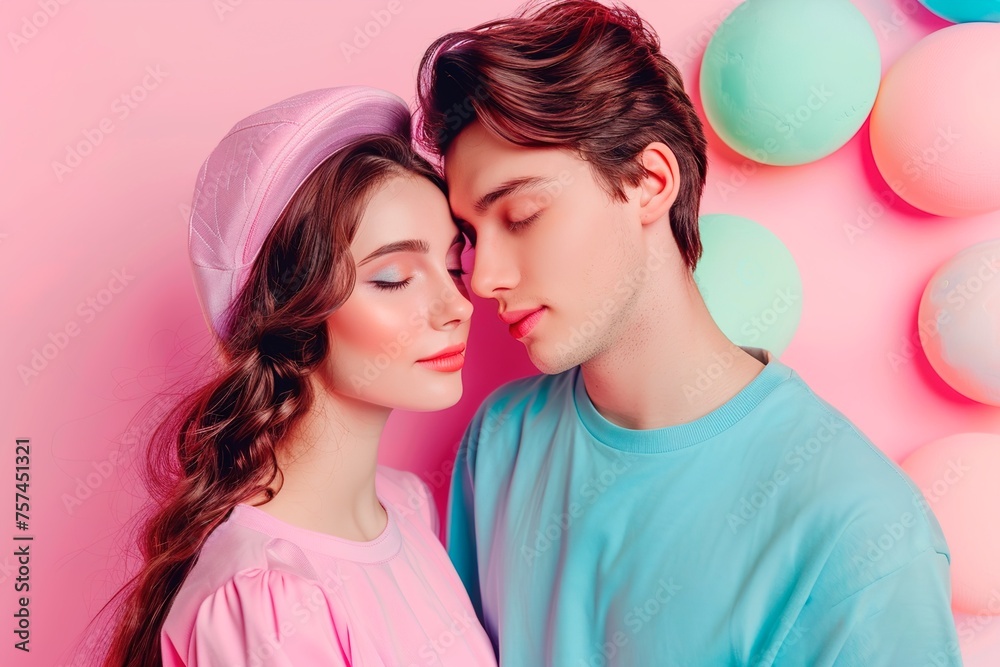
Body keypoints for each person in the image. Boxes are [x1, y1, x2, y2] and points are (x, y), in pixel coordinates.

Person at [415, 2, 963, 665]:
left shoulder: (862, 533)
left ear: (650, 181)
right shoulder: (499, 440)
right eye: (471, 236)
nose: (483, 278)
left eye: (523, 214)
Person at [100, 86, 498, 666]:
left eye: (453, 265)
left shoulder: (407, 507)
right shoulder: (267, 598)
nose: (458, 305)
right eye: (393, 278)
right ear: (291, 309)